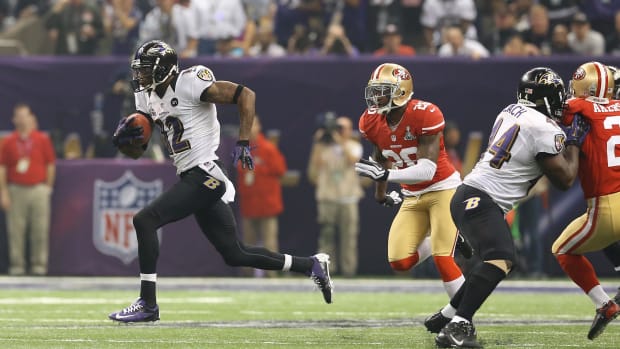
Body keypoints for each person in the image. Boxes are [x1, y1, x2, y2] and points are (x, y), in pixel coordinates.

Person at [107, 40, 333, 323]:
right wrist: (129, 138)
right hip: (190, 173)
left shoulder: (191, 82)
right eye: (138, 71)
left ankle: (148, 304)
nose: (140, 77)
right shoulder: (147, 96)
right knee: (234, 253)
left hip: (206, 172)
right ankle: (311, 265)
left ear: (164, 69)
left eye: (145, 70)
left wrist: (243, 141)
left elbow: (245, 95)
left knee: (145, 220)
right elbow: (144, 137)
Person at [423, 67, 586, 348]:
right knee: (500, 258)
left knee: (494, 259)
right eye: (558, 96)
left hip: (470, 194)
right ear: (546, 98)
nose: (562, 103)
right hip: (481, 198)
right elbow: (566, 179)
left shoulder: (510, 110)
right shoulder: (543, 128)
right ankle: (458, 326)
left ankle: (448, 315)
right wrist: (573, 141)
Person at [354, 63, 472, 306]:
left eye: (383, 90)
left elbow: (427, 170)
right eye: (374, 90)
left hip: (443, 189)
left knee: (443, 259)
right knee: (399, 261)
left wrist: (387, 177)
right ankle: (445, 237)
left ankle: (463, 319)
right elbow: (380, 156)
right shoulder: (371, 121)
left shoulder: (425, 113)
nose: (376, 97)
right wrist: (380, 193)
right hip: (412, 195)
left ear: (401, 91)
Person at [552, 61, 620, 340]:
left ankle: (604, 304)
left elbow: (554, 111)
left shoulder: (581, 107)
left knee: (563, 250)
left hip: (606, 207)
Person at [0, 103, 56, 276]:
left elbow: (50, 164)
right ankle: (17, 265)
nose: (23, 119)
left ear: (31, 118)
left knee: (40, 229)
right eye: (19, 116)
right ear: (14, 119)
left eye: (25, 115)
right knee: (15, 230)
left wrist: (48, 187)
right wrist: (3, 192)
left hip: (38, 188)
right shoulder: (8, 141)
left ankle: (39, 265)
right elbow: (2, 168)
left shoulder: (42, 139)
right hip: (16, 188)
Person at [307, 113, 364, 277]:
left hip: (348, 198)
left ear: (349, 130)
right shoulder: (323, 146)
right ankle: (327, 270)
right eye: (336, 127)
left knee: (349, 237)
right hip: (327, 197)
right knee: (326, 236)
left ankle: (348, 270)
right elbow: (315, 167)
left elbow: (352, 160)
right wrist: (317, 143)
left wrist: (340, 141)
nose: (338, 131)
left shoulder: (354, 145)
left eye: (342, 128)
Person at [236, 115, 287, 278]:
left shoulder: (268, 148)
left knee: (269, 242)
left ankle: (271, 274)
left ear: (259, 127)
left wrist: (258, 169)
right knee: (248, 243)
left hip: (267, 204)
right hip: (249, 205)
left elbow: (280, 170)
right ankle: (248, 273)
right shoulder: (242, 150)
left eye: (252, 125)